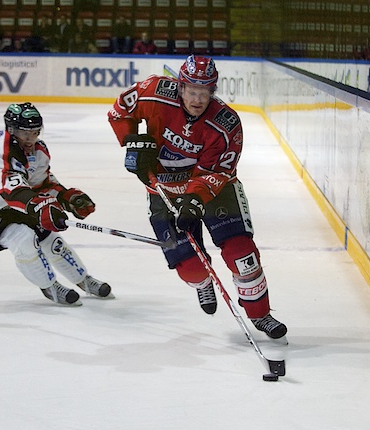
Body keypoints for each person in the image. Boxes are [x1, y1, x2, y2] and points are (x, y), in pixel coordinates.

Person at [107, 55, 288, 339]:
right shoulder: (153, 92)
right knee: (190, 268)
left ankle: (261, 314)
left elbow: (218, 172)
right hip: (163, 190)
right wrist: (132, 143)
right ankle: (203, 282)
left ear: (212, 91)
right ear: (180, 86)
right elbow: (119, 112)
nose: (197, 98)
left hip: (215, 190)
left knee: (243, 254)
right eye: (192, 90)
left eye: (205, 92)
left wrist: (194, 198)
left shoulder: (226, 124)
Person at [0, 103, 113, 306]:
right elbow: (11, 191)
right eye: (24, 132)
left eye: (35, 132)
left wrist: (67, 198)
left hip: (2, 203)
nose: (30, 139)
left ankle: (83, 279)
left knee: (47, 234)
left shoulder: (37, 150)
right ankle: (49, 286)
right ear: (11, 130)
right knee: (23, 238)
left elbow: (39, 184)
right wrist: (41, 207)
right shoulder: (0, 153)